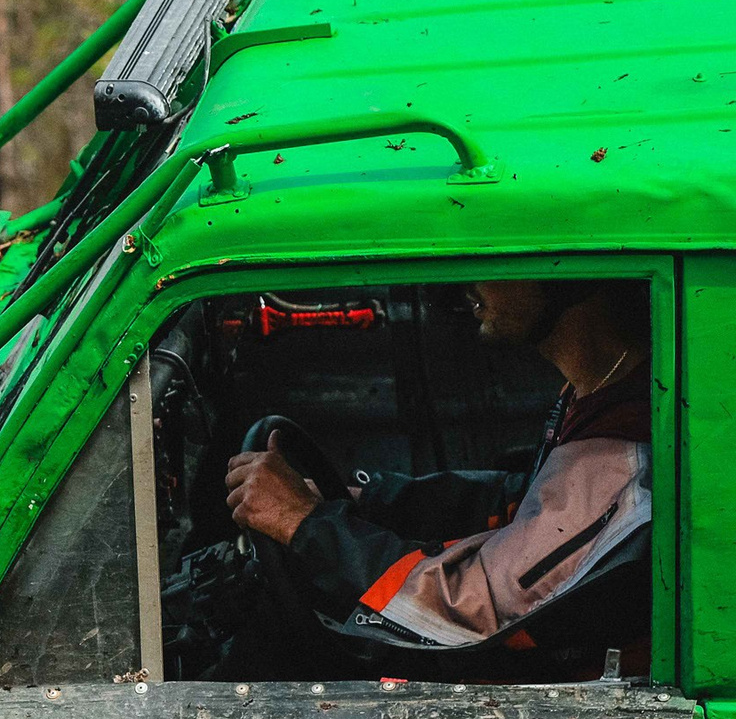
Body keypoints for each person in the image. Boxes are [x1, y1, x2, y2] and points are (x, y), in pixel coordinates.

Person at [223, 278, 650, 668]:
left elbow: (473, 609)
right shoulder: (594, 393)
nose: (466, 284)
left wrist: (304, 525)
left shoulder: (621, 453)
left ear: (568, 278)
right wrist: (365, 501)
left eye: (493, 257)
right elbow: (519, 501)